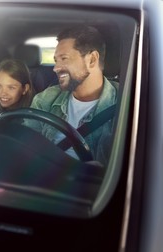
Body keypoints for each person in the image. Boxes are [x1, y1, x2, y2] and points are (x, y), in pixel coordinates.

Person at [29, 25, 117, 165]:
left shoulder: (126, 104)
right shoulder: (45, 99)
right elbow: (26, 146)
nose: (55, 68)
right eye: (56, 60)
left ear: (92, 60)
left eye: (64, 58)